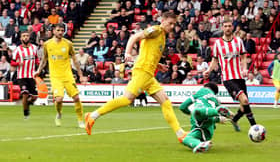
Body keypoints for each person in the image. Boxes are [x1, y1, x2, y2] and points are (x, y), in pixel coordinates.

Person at [85, 12, 187, 142]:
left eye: (174, 24)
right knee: (127, 99)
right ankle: (92, 116)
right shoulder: (156, 30)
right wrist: (127, 53)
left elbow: (148, 52)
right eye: (170, 23)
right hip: (142, 71)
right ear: (163, 20)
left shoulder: (162, 36)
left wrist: (158, 65)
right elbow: (135, 37)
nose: (172, 26)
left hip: (149, 74)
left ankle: (180, 133)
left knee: (166, 102)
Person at [203, 19, 257, 132]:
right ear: (222, 28)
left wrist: (245, 68)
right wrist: (208, 70)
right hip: (228, 78)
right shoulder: (218, 43)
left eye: (229, 26)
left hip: (239, 77)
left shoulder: (238, 41)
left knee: (243, 106)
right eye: (225, 26)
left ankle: (235, 119)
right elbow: (215, 60)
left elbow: (243, 56)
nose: (227, 28)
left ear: (232, 27)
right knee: (245, 100)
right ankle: (254, 126)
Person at [35, 24, 85, 128]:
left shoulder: (68, 44)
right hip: (55, 77)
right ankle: (59, 113)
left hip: (68, 76)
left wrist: (80, 75)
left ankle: (80, 120)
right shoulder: (47, 44)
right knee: (58, 99)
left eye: (62, 30)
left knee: (76, 97)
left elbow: (75, 60)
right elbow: (44, 59)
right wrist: (38, 70)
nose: (60, 32)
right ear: (53, 31)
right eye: (58, 30)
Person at [179, 82, 231, 153]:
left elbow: (182, 107)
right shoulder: (217, 100)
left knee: (197, 112)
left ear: (205, 87)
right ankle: (201, 144)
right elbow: (214, 119)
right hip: (208, 128)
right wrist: (218, 119)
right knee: (188, 138)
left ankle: (216, 111)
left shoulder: (202, 91)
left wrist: (190, 113)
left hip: (201, 116)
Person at [11, 31, 39, 119]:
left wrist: (38, 66)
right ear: (21, 38)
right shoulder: (17, 50)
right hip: (22, 76)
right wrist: (18, 63)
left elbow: (36, 58)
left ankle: (27, 104)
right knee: (25, 94)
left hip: (31, 75)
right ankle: (26, 114)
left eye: (27, 36)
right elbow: (12, 62)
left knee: (35, 97)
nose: (26, 37)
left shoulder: (34, 48)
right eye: (24, 36)